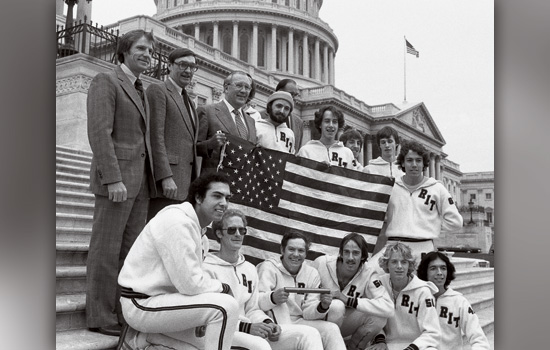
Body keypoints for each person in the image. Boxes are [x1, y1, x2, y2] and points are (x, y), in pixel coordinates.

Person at [85, 29, 157, 336]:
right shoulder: (106, 81)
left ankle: (121, 312)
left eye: (150, 51)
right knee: (106, 250)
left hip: (139, 185)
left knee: (129, 253)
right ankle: (100, 316)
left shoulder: (142, 88)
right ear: (124, 51)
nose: (147, 55)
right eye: (141, 48)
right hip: (117, 183)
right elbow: (100, 133)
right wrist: (112, 179)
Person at [117, 173, 239, 350]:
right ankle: (143, 337)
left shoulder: (199, 232)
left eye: (227, 198)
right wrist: (223, 288)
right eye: (217, 196)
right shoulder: (177, 222)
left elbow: (193, 282)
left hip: (166, 303)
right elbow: (190, 284)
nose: (224, 203)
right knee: (224, 307)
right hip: (141, 304)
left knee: (250, 344)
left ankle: (149, 339)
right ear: (198, 197)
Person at [200, 209, 325, 350]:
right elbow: (210, 315)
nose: (237, 234)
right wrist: (247, 327)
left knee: (309, 334)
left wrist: (267, 323)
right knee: (261, 346)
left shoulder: (249, 268)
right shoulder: (207, 267)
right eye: (231, 230)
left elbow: (252, 309)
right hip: (222, 333)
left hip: (251, 329)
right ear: (219, 233)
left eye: (242, 230)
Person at [367, 140, 463, 268]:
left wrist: (431, 223)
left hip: (423, 248)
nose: (414, 165)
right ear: (402, 163)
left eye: (418, 160)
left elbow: (456, 222)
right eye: (409, 160)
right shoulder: (392, 186)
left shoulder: (437, 188)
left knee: (420, 286)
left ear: (424, 163)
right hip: (393, 246)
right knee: (368, 272)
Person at [256, 232, 347, 350]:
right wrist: (272, 298)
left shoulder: (311, 273)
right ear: (282, 250)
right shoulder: (268, 267)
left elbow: (308, 312)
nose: (296, 254)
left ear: (306, 254)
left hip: (299, 320)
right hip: (274, 325)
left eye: (301, 250)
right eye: (291, 249)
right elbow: (256, 302)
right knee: (310, 333)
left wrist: (322, 306)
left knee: (331, 329)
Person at [313, 233, 394, 350]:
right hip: (315, 319)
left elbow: (388, 308)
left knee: (379, 316)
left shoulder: (369, 273)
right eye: (346, 252)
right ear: (340, 253)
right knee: (336, 306)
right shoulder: (321, 263)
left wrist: (349, 300)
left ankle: (353, 347)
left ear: (363, 256)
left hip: (342, 323)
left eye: (355, 253)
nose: (350, 258)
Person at [146, 48, 200, 221]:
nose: (188, 71)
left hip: (185, 185)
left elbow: (187, 142)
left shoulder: (189, 101)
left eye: (192, 67)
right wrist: (165, 176)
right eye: (183, 65)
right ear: (169, 66)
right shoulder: (158, 90)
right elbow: (156, 137)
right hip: (166, 185)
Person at [367, 242, 440, 350]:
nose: (399, 267)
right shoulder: (379, 285)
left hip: (416, 346)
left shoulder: (423, 292)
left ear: (409, 265)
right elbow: (371, 318)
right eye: (394, 262)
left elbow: (433, 332)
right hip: (387, 345)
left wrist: (412, 348)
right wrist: (380, 340)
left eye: (404, 262)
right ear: (386, 264)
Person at [417, 252, 489, 350]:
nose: (439, 272)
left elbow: (479, 339)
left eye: (443, 268)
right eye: (433, 268)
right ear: (425, 271)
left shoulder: (459, 301)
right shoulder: (417, 299)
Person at [197, 70, 258, 174]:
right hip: (214, 182)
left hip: (241, 183)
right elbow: (191, 148)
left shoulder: (251, 121)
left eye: (247, 87)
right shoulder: (207, 112)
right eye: (239, 85)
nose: (243, 91)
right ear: (226, 88)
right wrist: (210, 144)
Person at [260, 78, 304, 151]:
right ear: (279, 92)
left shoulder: (299, 123)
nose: (294, 98)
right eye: (291, 94)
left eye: (296, 95)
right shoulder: (259, 117)